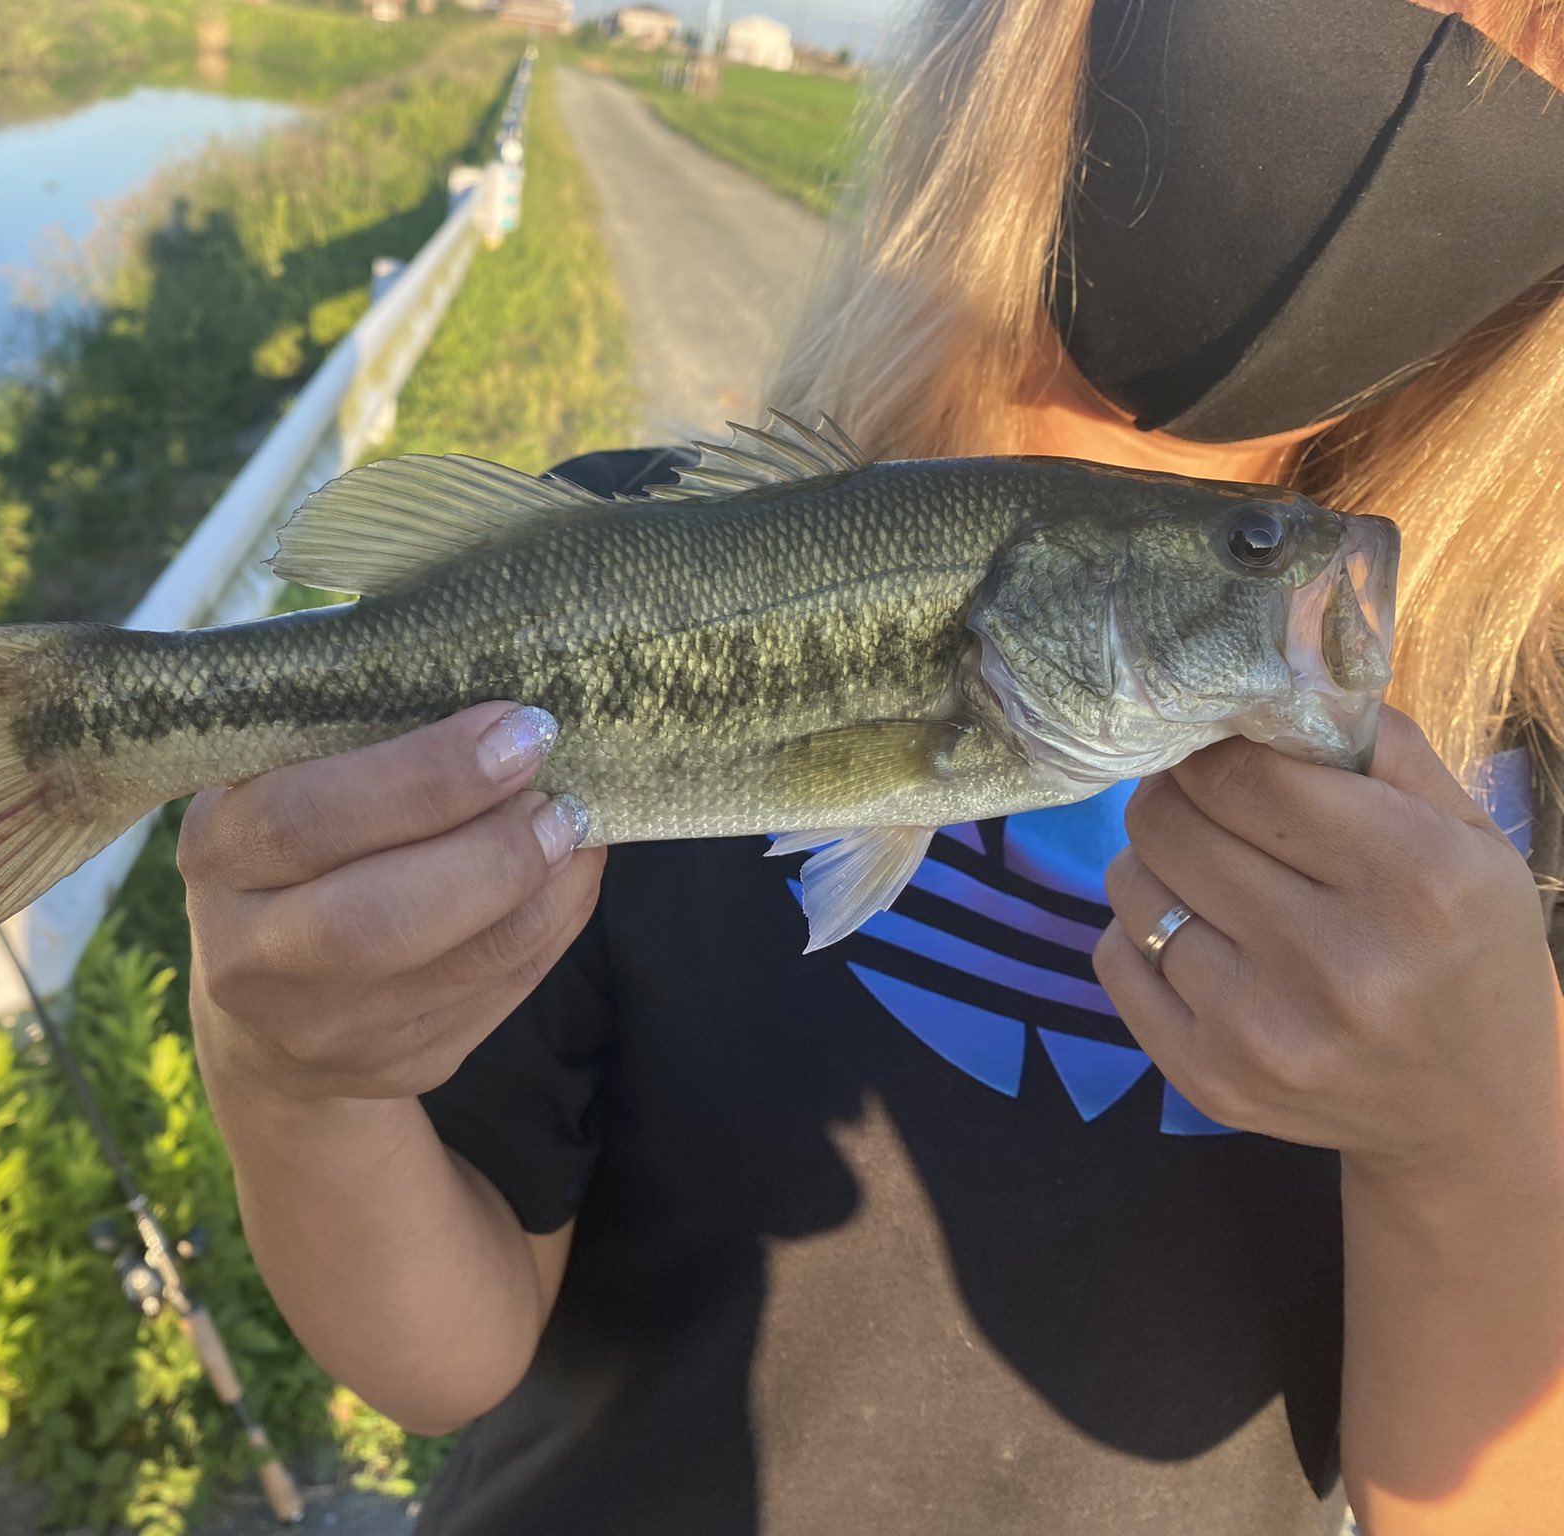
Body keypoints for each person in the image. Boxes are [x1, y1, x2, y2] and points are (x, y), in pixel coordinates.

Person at [176, 1, 1564, 1531]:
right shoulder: (609, 552)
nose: (1441, 55)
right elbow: (447, 1356)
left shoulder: (1517, 804)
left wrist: (1477, 1138)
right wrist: (292, 1085)